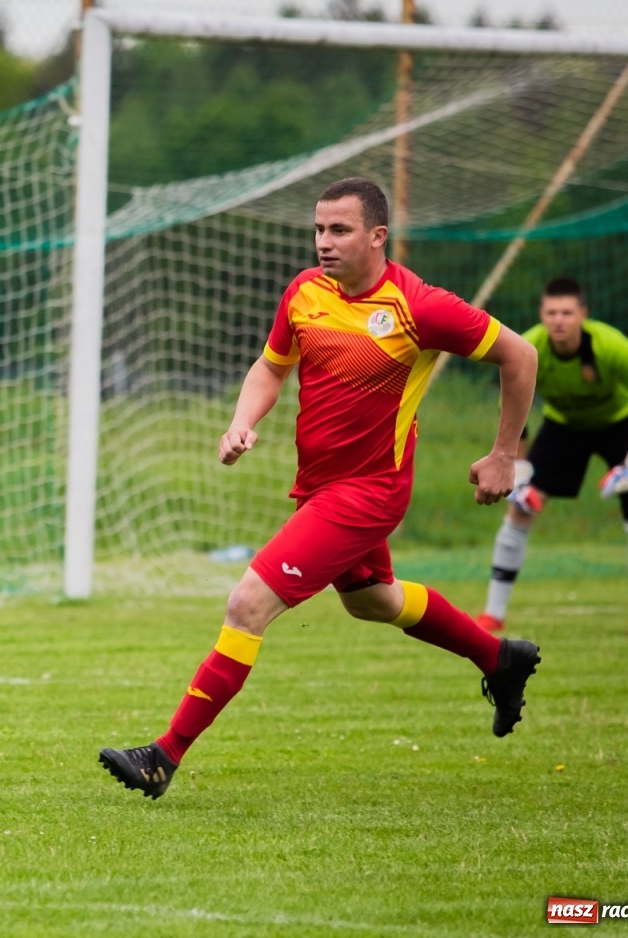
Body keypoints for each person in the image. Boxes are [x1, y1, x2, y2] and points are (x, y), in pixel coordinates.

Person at [98, 177, 542, 801]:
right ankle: (499, 658)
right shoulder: (305, 293)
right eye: (318, 229)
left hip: (368, 493)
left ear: (377, 236)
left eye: (339, 230)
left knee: (246, 605)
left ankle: (163, 756)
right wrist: (241, 422)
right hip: (319, 487)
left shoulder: (420, 307)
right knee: (374, 601)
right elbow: (271, 366)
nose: (323, 243)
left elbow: (520, 356)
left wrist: (504, 455)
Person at [476, 277, 628, 640]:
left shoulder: (612, 346)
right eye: (551, 312)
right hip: (563, 427)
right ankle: (492, 614)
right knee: (521, 507)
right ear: (542, 315)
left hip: (619, 426)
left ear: (583, 315)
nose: (559, 320)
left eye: (567, 312)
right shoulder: (529, 348)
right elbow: (512, 404)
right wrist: (520, 466)